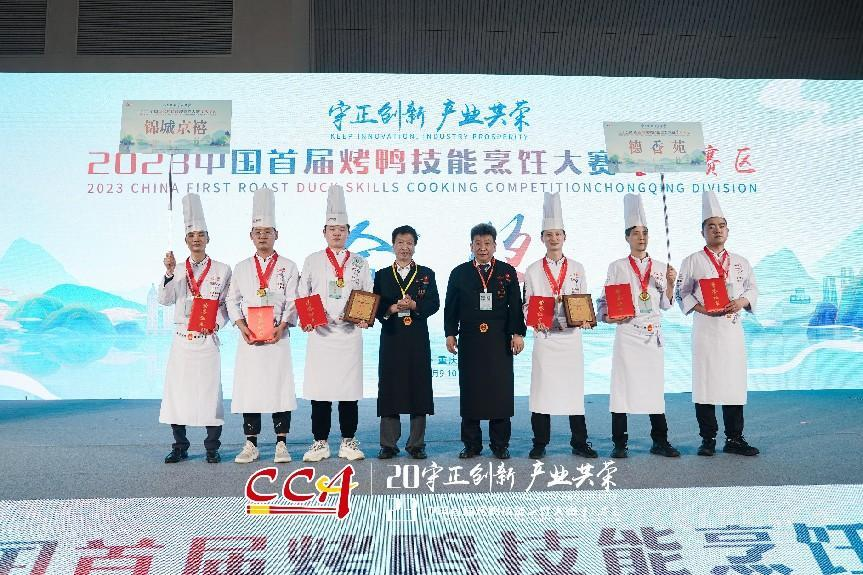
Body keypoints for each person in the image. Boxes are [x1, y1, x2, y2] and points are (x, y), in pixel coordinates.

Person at [676, 190, 760, 456]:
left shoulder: (741, 262)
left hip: (732, 332)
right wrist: (703, 309)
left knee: (733, 384)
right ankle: (708, 439)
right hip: (706, 330)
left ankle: (734, 438)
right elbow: (681, 293)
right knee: (705, 384)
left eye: (721, 225)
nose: (717, 230)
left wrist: (742, 302)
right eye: (711, 226)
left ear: (728, 231)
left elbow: (753, 289)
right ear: (702, 232)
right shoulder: (692, 261)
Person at [596, 193, 679, 459]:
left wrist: (670, 284)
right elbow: (603, 301)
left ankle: (660, 441)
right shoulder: (617, 267)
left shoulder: (661, 267)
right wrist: (608, 317)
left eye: (644, 233)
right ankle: (620, 443)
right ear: (627, 237)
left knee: (654, 390)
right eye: (635, 233)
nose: (641, 237)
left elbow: (666, 304)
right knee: (621, 389)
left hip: (652, 335)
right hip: (627, 333)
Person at [522, 193, 599, 459]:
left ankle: (580, 441)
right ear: (542, 238)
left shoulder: (577, 268)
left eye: (558, 234)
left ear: (565, 237)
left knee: (573, 392)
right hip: (545, 339)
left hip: (570, 338)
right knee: (541, 391)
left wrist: (586, 318)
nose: (553, 239)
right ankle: (539, 442)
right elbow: (526, 304)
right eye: (548, 235)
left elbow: (583, 300)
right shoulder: (533, 269)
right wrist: (534, 319)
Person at [299, 185, 373, 462]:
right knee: (320, 392)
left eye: (342, 229)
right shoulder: (312, 260)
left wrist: (364, 318)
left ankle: (348, 441)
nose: (337, 233)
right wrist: (307, 320)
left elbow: (367, 293)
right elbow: (302, 293)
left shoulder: (360, 262)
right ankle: (319, 442)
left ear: (348, 231)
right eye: (332, 229)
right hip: (321, 335)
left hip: (349, 334)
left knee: (348, 391)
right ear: (324, 232)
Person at [227, 186, 299, 464]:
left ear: (276, 234)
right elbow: (232, 300)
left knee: (280, 389)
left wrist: (283, 325)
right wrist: (241, 325)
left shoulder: (288, 266)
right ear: (251, 236)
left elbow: (293, 300)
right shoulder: (242, 267)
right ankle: (251, 444)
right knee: (251, 390)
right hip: (250, 339)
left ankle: (282, 444)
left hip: (278, 337)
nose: (262, 236)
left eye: (267, 232)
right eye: (258, 232)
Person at [159, 194, 231, 464]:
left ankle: (212, 447)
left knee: (210, 394)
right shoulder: (176, 269)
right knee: (177, 394)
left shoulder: (222, 269)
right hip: (182, 339)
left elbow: (226, 305)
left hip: (206, 339)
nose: (197, 239)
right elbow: (165, 300)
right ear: (186, 240)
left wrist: (217, 323)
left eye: (201, 235)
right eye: (192, 235)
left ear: (208, 238)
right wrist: (168, 273)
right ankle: (180, 445)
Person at [444, 223, 526, 460]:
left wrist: (517, 333)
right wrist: (450, 333)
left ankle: (500, 444)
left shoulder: (507, 271)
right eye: (478, 243)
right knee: (471, 390)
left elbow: (515, 305)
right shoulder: (459, 272)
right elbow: (451, 306)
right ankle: (471, 445)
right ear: (471, 246)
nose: (482, 248)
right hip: (470, 338)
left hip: (499, 339)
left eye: (487, 243)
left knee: (500, 390)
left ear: (495, 246)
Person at [373, 225, 440, 459]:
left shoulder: (426, 273)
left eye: (409, 243)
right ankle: (388, 444)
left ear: (415, 246)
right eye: (400, 243)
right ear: (393, 246)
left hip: (417, 338)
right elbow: (375, 305)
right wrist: (391, 308)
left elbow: (434, 303)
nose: (404, 247)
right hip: (392, 336)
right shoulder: (382, 274)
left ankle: (416, 444)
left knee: (418, 386)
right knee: (389, 387)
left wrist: (414, 306)